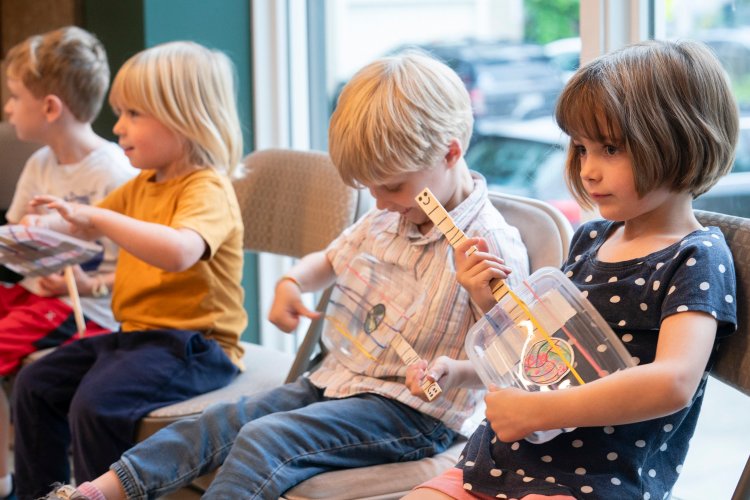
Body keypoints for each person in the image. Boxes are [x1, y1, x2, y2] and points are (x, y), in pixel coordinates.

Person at [42, 51, 530, 500]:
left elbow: (512, 362)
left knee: (265, 439)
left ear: (450, 153)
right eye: (371, 188)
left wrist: (455, 366)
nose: (379, 200)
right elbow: (329, 260)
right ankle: (94, 493)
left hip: (412, 413)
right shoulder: (388, 216)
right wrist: (292, 282)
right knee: (217, 422)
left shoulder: (491, 245)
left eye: (392, 186)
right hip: (335, 379)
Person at [402, 39, 739, 500]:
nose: (588, 170)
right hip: (497, 463)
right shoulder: (591, 239)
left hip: (592, 482)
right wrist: (466, 357)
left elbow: (673, 382)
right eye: (581, 148)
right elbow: (547, 358)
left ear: (682, 140)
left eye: (610, 149)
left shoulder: (696, 256)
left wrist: (541, 413)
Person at [12, 41, 247, 500]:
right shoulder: (143, 184)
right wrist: (39, 228)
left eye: (134, 114)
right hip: (137, 335)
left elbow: (179, 252)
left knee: (97, 405)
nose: (118, 127)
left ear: (185, 117)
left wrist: (97, 219)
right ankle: (37, 495)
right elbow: (81, 226)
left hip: (197, 345)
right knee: (34, 384)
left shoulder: (207, 189)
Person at [0, 26, 137, 500]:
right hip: (38, 292)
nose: (8, 107)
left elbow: (135, 269)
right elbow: (17, 232)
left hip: (87, 313)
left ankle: (25, 488)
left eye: (14, 96)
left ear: (51, 107)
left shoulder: (114, 172)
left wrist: (86, 281)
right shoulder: (41, 161)